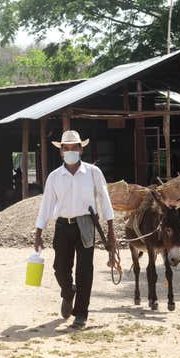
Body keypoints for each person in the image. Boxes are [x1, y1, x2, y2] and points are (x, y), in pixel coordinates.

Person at [34, 130, 115, 329]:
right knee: (60, 269)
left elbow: (105, 201)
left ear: (80, 149)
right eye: (66, 148)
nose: (70, 151)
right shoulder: (55, 177)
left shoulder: (93, 172)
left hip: (86, 224)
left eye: (74, 147)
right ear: (61, 151)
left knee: (84, 270)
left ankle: (81, 314)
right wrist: (38, 232)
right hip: (63, 225)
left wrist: (111, 230)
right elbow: (46, 205)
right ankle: (68, 293)